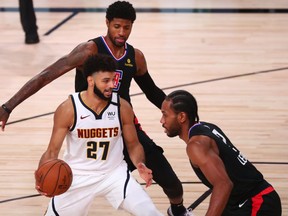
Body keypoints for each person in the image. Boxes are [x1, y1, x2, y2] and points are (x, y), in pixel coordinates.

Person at [0, 1, 189, 215]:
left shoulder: (135, 57)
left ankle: (178, 210)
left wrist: (179, 116)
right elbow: (46, 76)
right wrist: (9, 106)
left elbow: (152, 92)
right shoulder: (89, 50)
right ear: (107, 23)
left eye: (127, 27)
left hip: (122, 124)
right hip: (87, 125)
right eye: (117, 26)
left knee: (172, 183)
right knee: (73, 175)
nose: (122, 32)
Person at [36, 54, 163, 216]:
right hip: (77, 175)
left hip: (114, 174)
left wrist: (140, 163)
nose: (112, 85)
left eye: (113, 80)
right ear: (90, 81)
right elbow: (52, 152)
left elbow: (133, 145)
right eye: (105, 81)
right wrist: (40, 176)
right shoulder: (69, 109)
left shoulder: (122, 107)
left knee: (150, 213)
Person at [160, 90, 282, 216]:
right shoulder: (207, 127)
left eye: (165, 115)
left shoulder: (196, 146)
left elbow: (223, 184)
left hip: (257, 203)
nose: (162, 121)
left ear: (181, 117)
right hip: (242, 202)